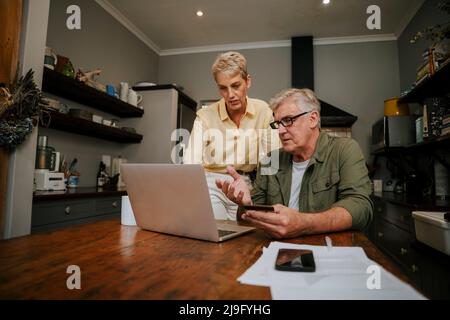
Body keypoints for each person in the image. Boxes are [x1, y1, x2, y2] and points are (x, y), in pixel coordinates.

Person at [216, 88, 373, 238]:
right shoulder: (271, 160)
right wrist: (246, 203)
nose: (280, 131)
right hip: (275, 251)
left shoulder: (344, 150)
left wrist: (302, 223)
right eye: (277, 123)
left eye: (288, 120)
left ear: (313, 119)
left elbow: (360, 208)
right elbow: (247, 221)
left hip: (328, 250)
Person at [184, 51, 279, 220]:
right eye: (223, 88)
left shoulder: (264, 111)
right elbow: (191, 164)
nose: (230, 95)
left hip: (247, 184)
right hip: (211, 184)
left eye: (236, 85)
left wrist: (258, 194)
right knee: (216, 230)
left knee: (247, 235)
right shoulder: (205, 116)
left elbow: (271, 162)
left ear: (248, 81)